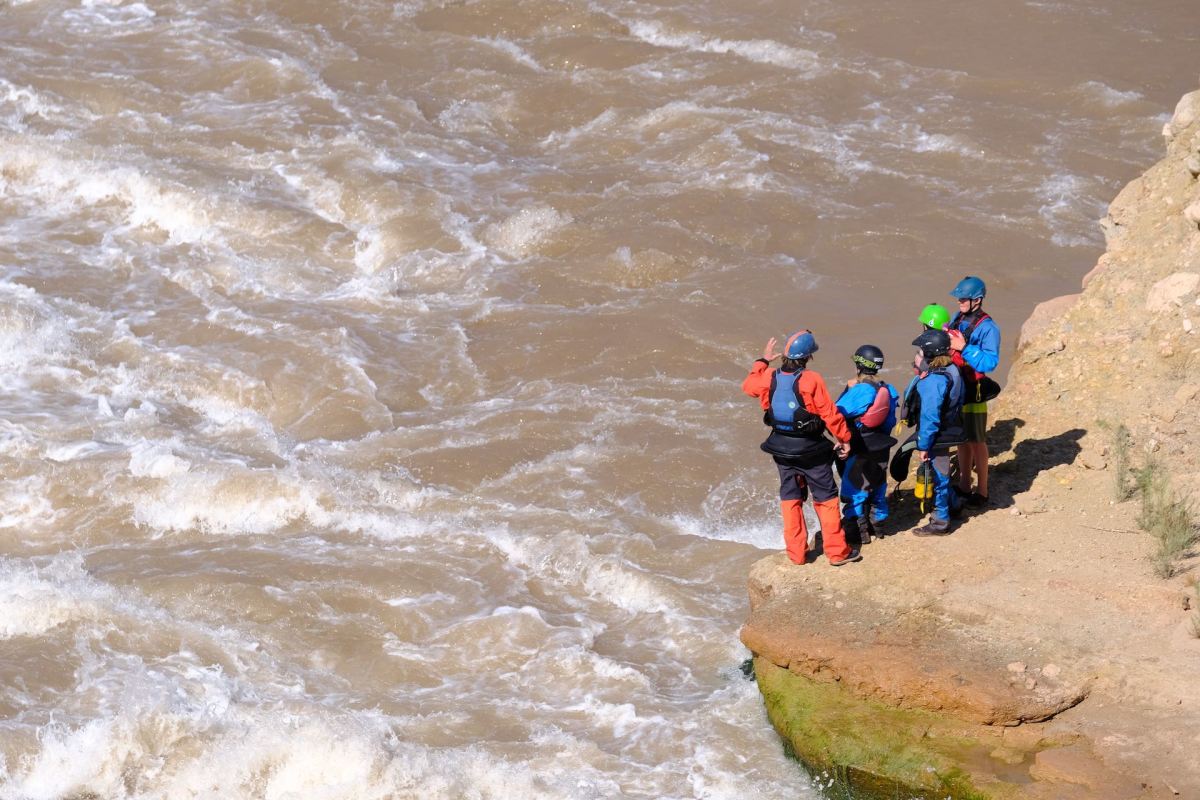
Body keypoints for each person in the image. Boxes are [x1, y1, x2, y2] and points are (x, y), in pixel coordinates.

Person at [742, 329, 861, 566]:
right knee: (825, 497)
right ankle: (837, 552)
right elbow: (829, 413)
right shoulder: (811, 379)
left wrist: (763, 361)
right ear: (808, 357)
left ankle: (796, 554)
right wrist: (844, 438)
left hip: (781, 449)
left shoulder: (769, 376)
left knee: (791, 497)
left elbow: (748, 387)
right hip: (812, 450)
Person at [836, 345, 899, 545]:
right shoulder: (888, 389)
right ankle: (878, 527)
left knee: (854, 488)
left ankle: (858, 533)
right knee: (877, 485)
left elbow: (836, 413)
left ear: (858, 365)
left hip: (861, 446)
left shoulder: (862, 390)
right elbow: (890, 421)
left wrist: (847, 390)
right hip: (881, 446)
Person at [946, 276, 1001, 508]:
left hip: (975, 390)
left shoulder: (988, 328)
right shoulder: (958, 318)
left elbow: (990, 362)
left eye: (963, 298)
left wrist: (964, 348)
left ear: (976, 300)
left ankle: (983, 491)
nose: (959, 301)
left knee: (977, 441)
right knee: (962, 440)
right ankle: (965, 484)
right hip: (958, 388)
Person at [905, 329, 965, 536]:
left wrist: (924, 445)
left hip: (937, 436)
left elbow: (930, 417)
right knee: (943, 471)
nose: (919, 355)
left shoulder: (933, 381)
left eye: (921, 352)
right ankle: (954, 504)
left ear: (930, 354)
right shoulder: (952, 370)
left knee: (939, 476)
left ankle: (940, 522)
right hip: (951, 428)